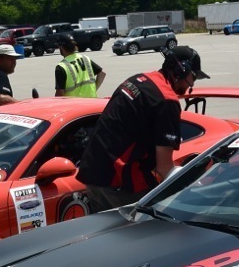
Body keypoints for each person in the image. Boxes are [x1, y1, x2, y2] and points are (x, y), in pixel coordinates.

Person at [76, 45, 209, 212]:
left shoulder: (137, 80)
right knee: (157, 228)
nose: (192, 84)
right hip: (119, 183)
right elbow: (164, 168)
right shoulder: (166, 100)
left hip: (93, 174)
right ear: (182, 70)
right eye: (193, 77)